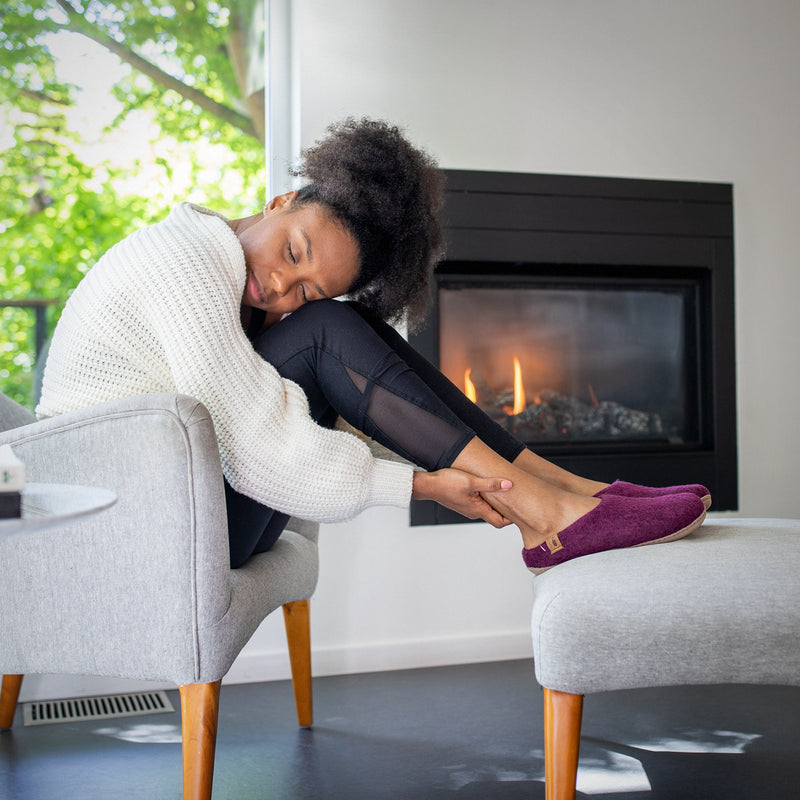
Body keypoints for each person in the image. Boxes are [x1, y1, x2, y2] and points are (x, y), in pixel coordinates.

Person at [36, 117, 709, 573]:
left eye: (304, 286)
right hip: (134, 526)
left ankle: (564, 488)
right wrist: (421, 487)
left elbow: (278, 425)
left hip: (193, 505)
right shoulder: (186, 258)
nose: (279, 284)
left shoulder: (224, 275)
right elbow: (260, 449)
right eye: (294, 250)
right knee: (329, 331)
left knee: (343, 329)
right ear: (280, 201)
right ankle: (545, 509)